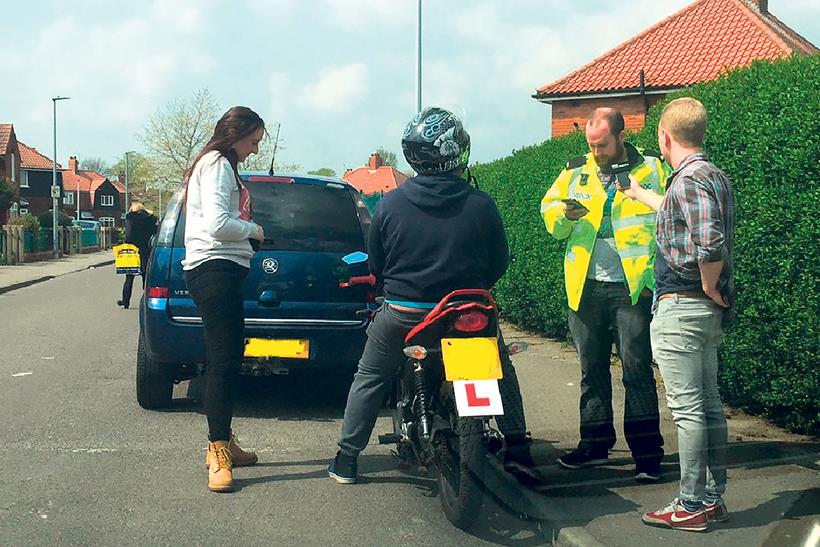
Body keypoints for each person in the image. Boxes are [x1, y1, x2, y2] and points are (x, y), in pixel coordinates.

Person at [329, 106, 543, 487]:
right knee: (501, 372)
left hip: (406, 314)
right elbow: (499, 262)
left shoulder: (392, 205)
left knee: (371, 374)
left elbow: (376, 264)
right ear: (457, 150)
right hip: (468, 312)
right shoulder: (482, 203)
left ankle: (347, 458)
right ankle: (519, 451)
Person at [621, 98, 735, 532]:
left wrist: (707, 282)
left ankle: (689, 504)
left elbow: (708, 239)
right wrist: (639, 194)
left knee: (688, 410)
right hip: (703, 311)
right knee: (708, 407)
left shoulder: (688, 181)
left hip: (683, 305)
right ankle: (711, 499)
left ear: (665, 138)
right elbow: (683, 215)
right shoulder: (711, 177)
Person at [540, 108, 668, 482]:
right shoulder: (575, 170)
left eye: (602, 145)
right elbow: (549, 214)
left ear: (621, 136)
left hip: (633, 287)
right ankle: (594, 446)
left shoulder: (653, 169)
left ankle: (647, 455)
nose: (596, 152)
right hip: (585, 285)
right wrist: (567, 215)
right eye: (591, 145)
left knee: (637, 371)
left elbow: (674, 213)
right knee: (591, 370)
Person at [182, 106, 266, 493]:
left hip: (223, 270)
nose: (253, 150)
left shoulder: (219, 163)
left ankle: (225, 441)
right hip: (213, 270)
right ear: (235, 134)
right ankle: (217, 451)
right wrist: (254, 229)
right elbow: (217, 224)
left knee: (229, 359)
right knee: (222, 362)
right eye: (252, 142)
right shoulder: (217, 163)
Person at [116, 201, 157, 309]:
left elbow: (128, 236)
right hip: (147, 250)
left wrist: (126, 242)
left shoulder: (131, 218)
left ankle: (126, 301)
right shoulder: (151, 219)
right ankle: (147, 301)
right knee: (145, 277)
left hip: (133, 251)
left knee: (129, 277)